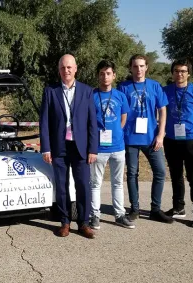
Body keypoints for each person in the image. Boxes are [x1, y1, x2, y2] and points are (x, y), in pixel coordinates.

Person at [39, 54, 98, 239]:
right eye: (63, 67)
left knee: (83, 186)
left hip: (80, 147)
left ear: (76, 69)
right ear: (59, 70)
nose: (66, 71)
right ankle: (64, 222)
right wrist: (46, 148)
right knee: (62, 186)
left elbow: (92, 123)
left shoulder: (87, 91)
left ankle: (84, 223)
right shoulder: (51, 91)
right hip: (59, 146)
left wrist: (93, 148)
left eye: (70, 67)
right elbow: (45, 122)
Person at [117, 54, 174, 224]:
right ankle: (134, 209)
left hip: (151, 138)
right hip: (130, 138)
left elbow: (163, 111)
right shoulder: (123, 87)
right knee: (132, 173)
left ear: (147, 67)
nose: (139, 69)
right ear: (130, 68)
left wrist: (161, 135)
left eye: (142, 66)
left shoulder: (155, 86)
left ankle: (155, 209)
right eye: (135, 66)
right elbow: (120, 112)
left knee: (160, 172)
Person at [162, 59, 193, 228]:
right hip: (171, 140)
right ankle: (178, 207)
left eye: (183, 71)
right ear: (172, 73)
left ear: (188, 73)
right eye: (176, 71)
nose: (179, 74)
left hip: (191, 140)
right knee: (176, 176)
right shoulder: (166, 91)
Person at [89, 60, 135, 230]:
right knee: (95, 183)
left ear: (114, 76)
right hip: (98, 149)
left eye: (108, 73)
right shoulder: (92, 95)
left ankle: (119, 214)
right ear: (98, 76)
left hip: (118, 147)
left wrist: (116, 132)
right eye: (102, 73)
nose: (105, 77)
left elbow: (123, 118)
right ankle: (95, 215)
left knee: (117, 183)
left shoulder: (120, 96)